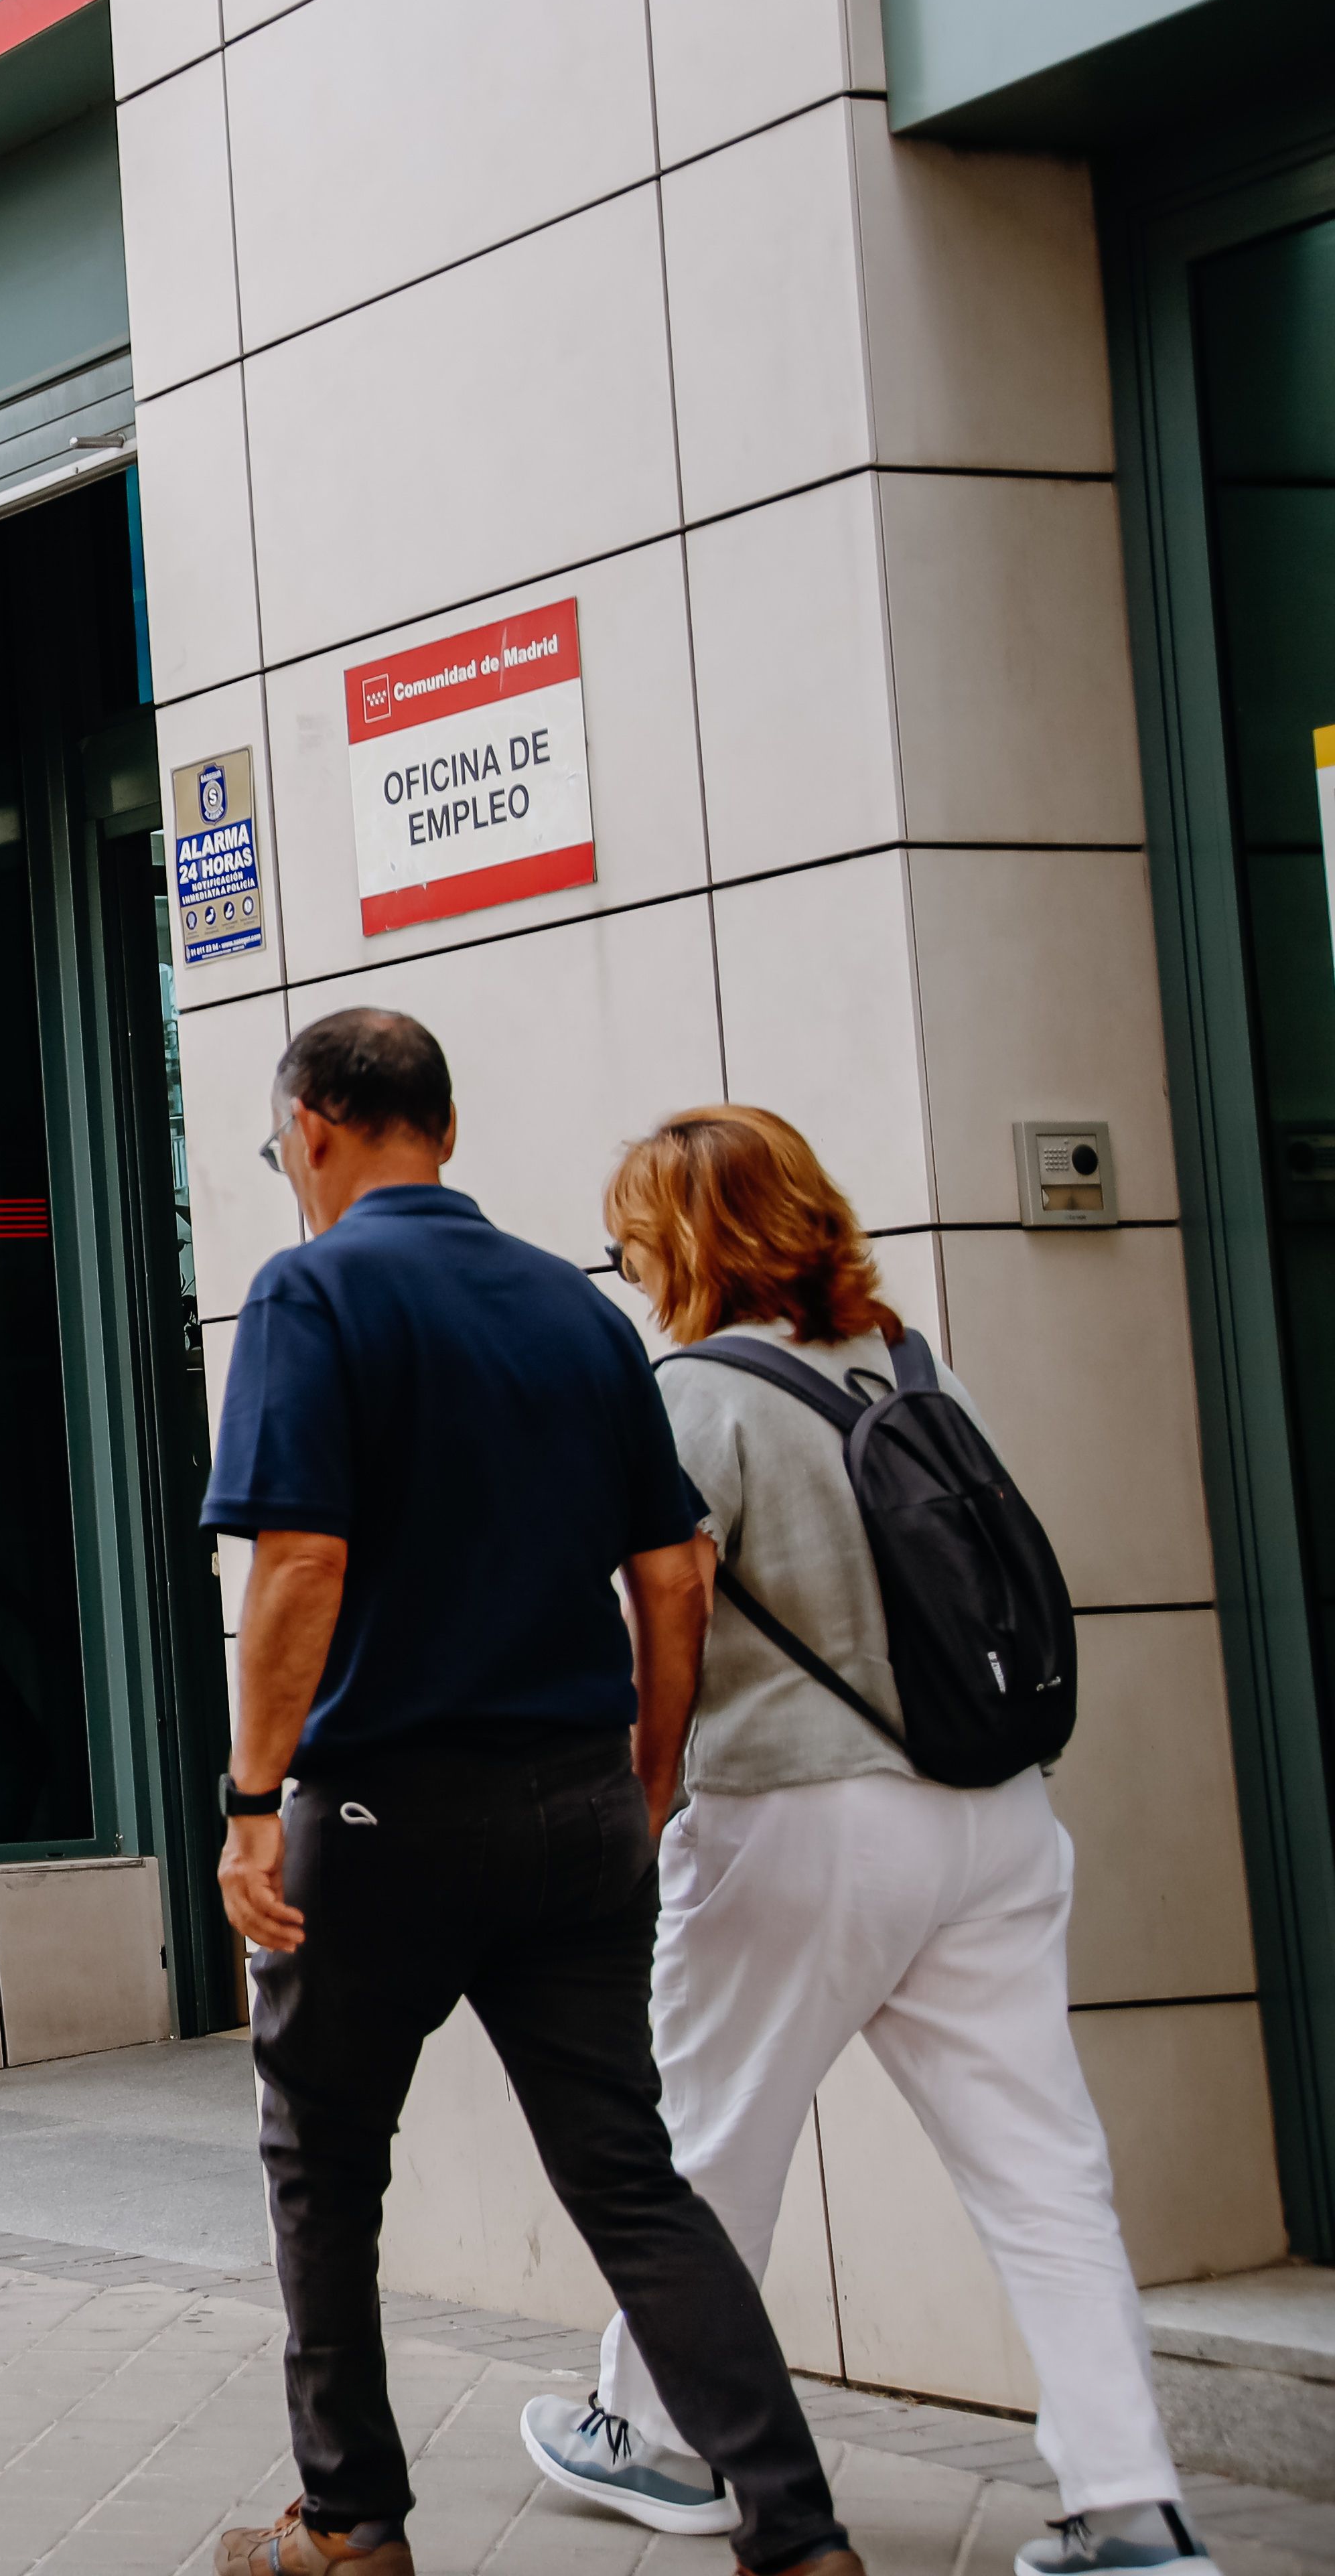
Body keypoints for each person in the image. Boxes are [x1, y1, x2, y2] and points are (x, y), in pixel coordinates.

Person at [204, 1009, 856, 2576]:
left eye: (282, 1146)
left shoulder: (311, 1288)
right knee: (630, 2173)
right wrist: (646, 1780)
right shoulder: (578, 1309)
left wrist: (250, 1799)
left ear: (313, 1127)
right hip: (577, 1808)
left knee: (324, 2163)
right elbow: (672, 1573)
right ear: (444, 1129)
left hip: (381, 1812)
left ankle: (352, 2522)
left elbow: (300, 1560)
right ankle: (798, 2529)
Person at [520, 1106, 1212, 2576]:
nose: (630, 1266)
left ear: (686, 1239)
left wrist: (644, 1793)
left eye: (634, 1238)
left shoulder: (695, 1393)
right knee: (1045, 2171)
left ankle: (663, 2435)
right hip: (994, 1815)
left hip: (802, 1819)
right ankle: (1131, 2507)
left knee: (707, 2139)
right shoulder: (913, 1366)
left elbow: (666, 1604)